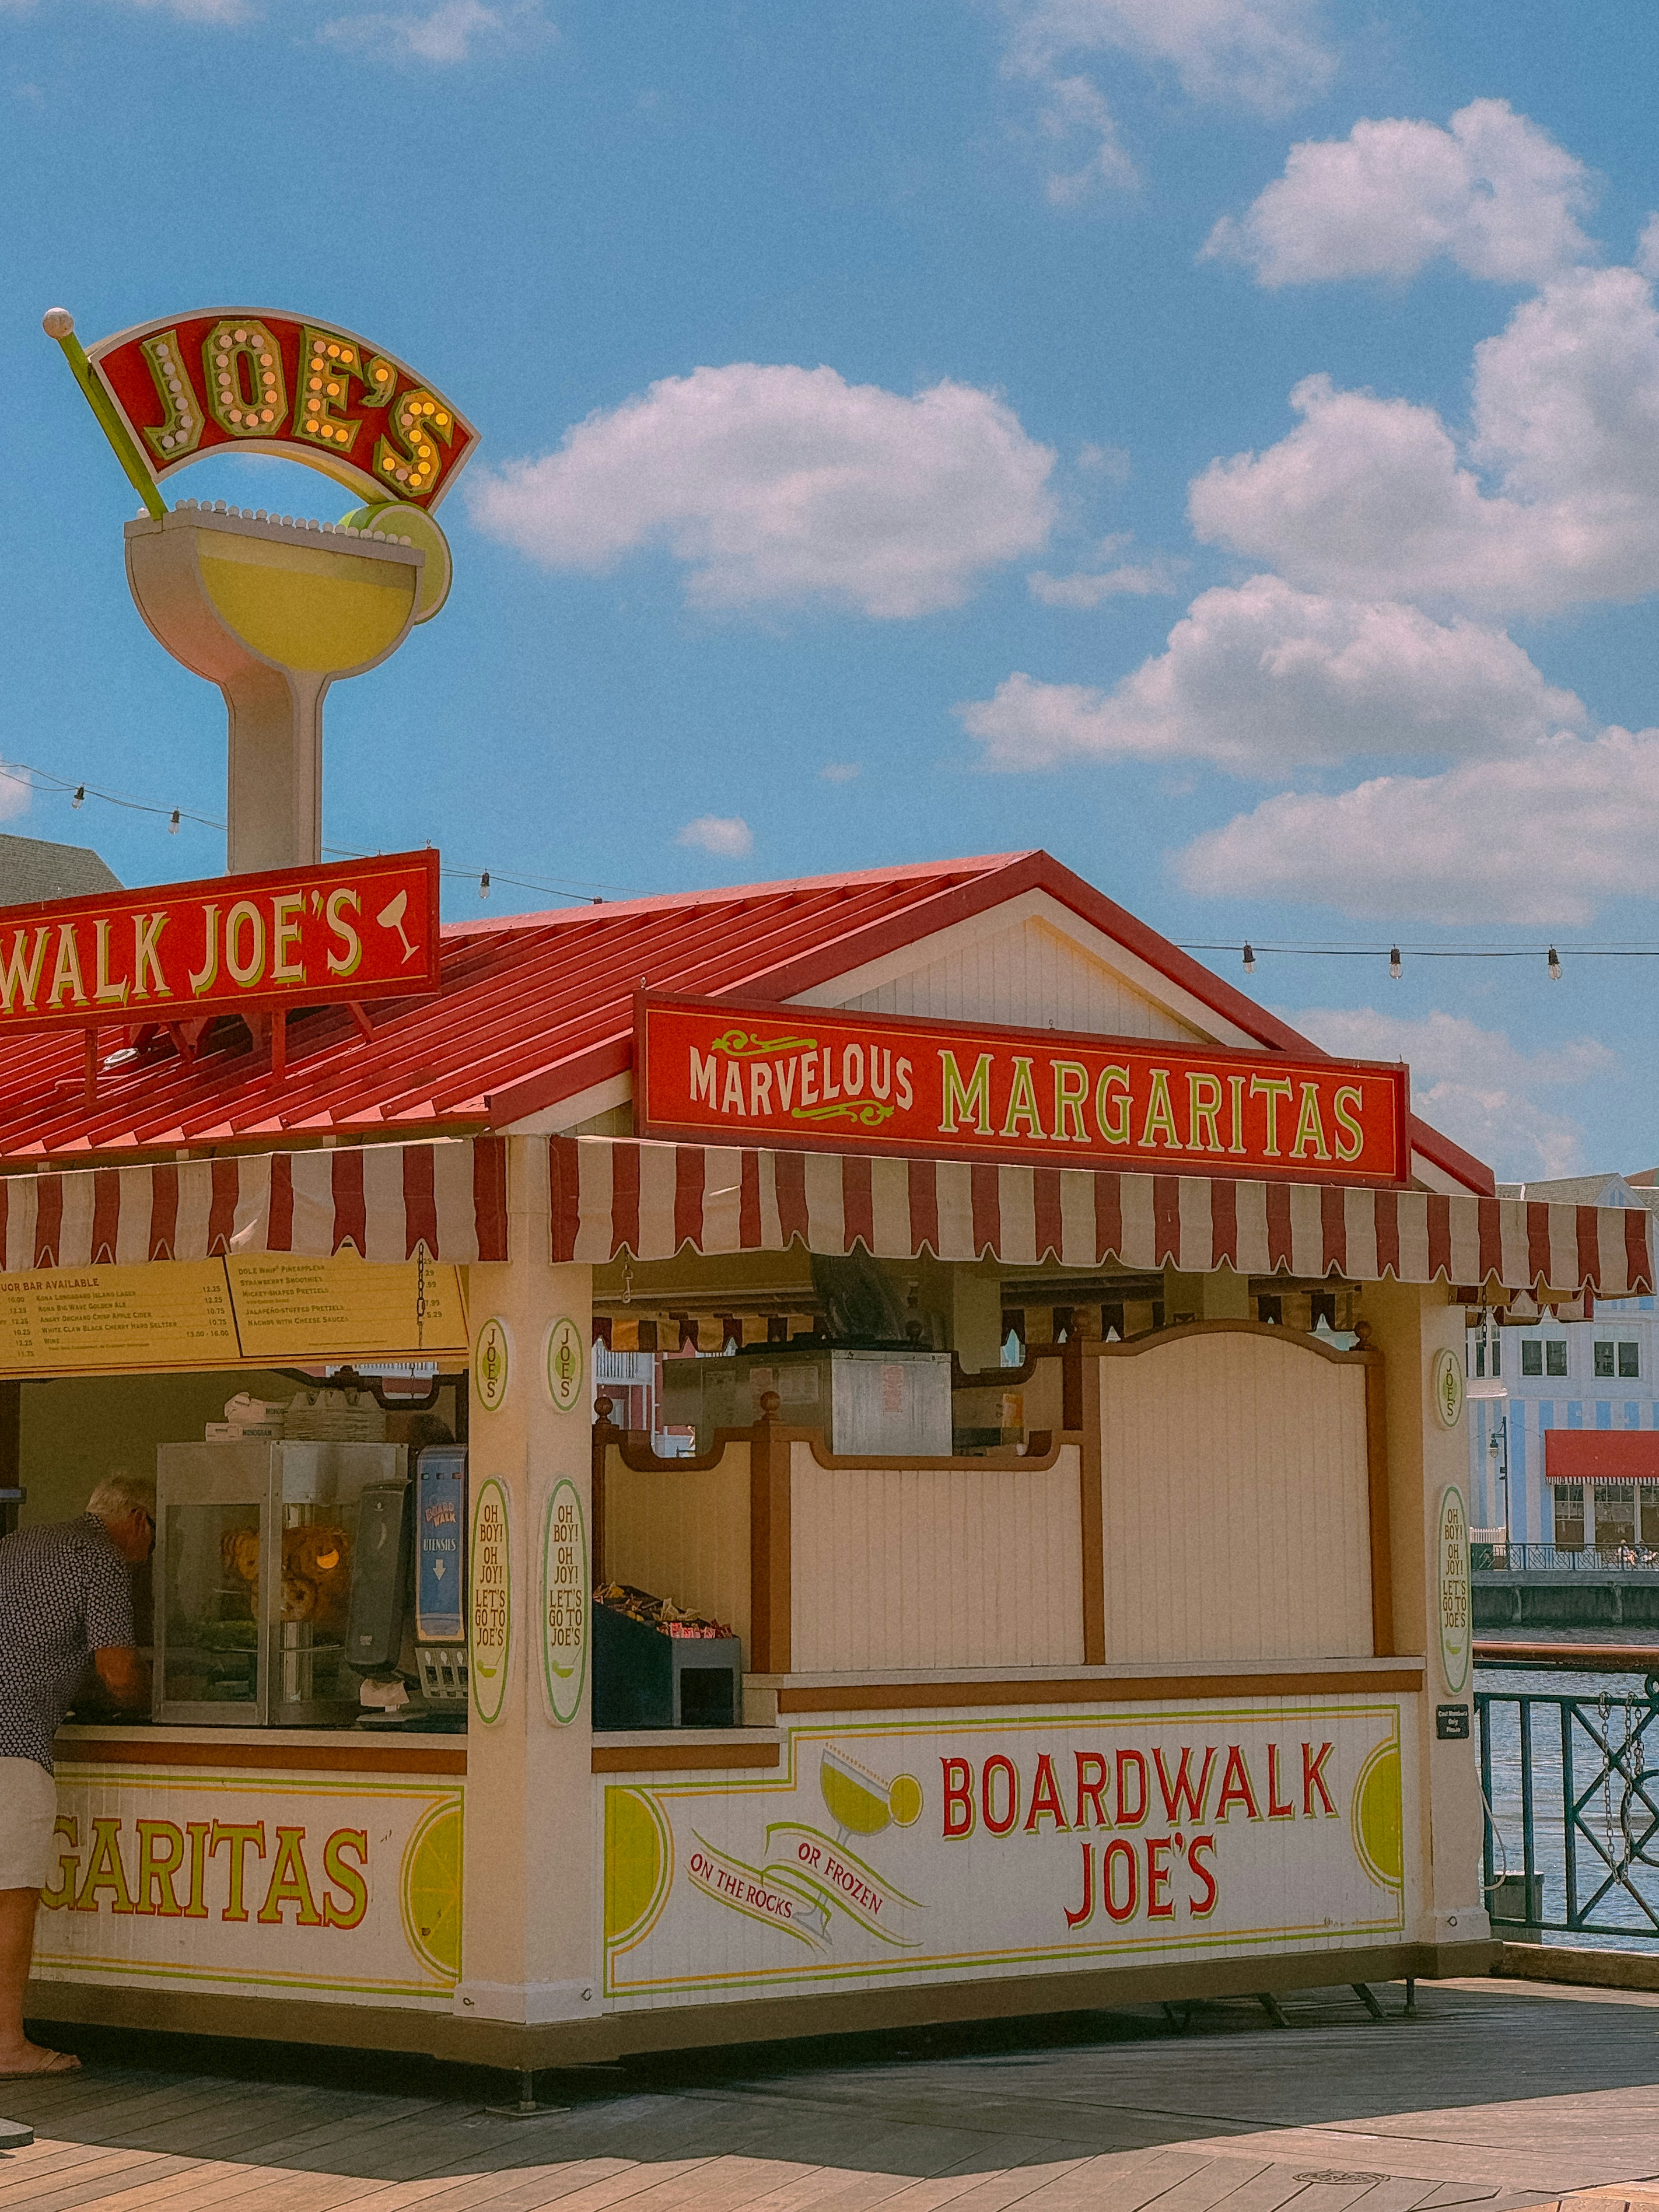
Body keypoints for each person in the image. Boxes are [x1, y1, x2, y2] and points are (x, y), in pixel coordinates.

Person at [0, 1472, 153, 2078]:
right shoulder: (102, 1560)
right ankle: (6, 2045)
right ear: (138, 1520)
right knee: (11, 1899)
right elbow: (117, 1670)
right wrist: (142, 1695)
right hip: (13, 1748)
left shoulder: (17, 1544)